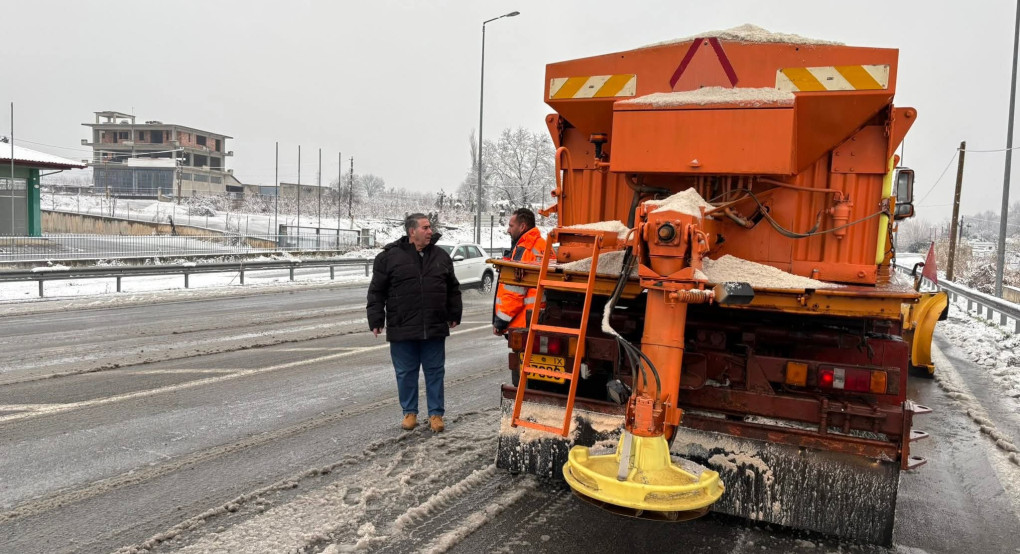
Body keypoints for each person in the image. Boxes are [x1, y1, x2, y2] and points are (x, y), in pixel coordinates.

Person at [367, 213, 462, 433]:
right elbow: (376, 291)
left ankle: (436, 414)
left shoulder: (440, 256)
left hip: (434, 325)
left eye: (430, 227)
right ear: (412, 231)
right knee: (405, 372)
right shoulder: (388, 258)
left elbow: (453, 288)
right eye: (425, 227)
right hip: (402, 325)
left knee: (435, 372)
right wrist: (376, 319)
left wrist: (454, 313)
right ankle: (409, 413)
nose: (430, 231)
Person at [493, 207, 547, 335]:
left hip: (522, 323)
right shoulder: (544, 245)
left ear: (522, 227)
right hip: (540, 318)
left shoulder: (524, 249)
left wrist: (500, 322)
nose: (508, 230)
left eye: (511, 226)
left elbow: (514, 292)